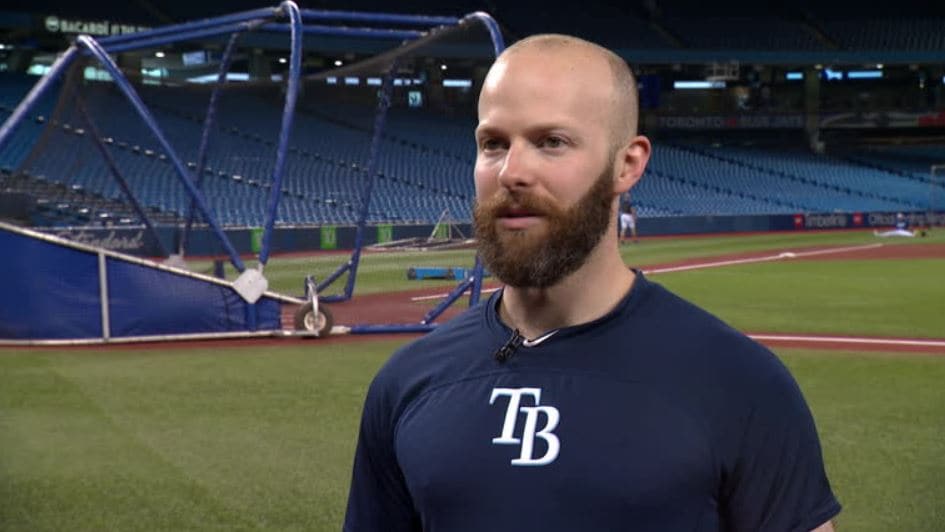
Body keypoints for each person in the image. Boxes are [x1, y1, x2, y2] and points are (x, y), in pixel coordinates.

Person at [344, 34, 840, 532]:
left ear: (628, 164)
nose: (512, 171)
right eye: (493, 144)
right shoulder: (406, 383)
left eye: (551, 142)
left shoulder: (741, 384)